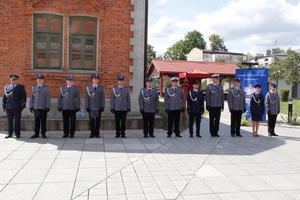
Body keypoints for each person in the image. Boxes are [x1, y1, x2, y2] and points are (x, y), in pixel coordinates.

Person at [2, 74, 26, 139]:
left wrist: (23, 105)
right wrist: (3, 105)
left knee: (17, 121)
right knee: (9, 121)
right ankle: (10, 133)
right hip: (9, 107)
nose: (13, 81)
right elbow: (4, 97)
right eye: (12, 80)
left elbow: (23, 97)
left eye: (14, 80)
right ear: (10, 80)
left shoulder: (20, 87)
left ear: (16, 80)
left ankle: (17, 134)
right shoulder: (7, 87)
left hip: (17, 107)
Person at [29, 74, 51, 139]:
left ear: (43, 80)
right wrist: (31, 106)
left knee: (43, 121)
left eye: (41, 80)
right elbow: (31, 98)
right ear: (36, 80)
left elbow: (48, 98)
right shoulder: (34, 88)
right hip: (36, 107)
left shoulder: (46, 88)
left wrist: (47, 106)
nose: (39, 81)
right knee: (36, 121)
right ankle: (36, 133)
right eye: (38, 79)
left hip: (43, 107)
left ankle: (43, 133)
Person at [85, 74, 105, 138]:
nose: (96, 80)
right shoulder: (89, 88)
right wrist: (87, 106)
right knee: (91, 121)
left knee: (97, 121)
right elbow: (87, 98)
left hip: (98, 107)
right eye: (94, 79)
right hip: (91, 107)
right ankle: (92, 133)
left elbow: (102, 98)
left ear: (98, 80)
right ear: (92, 80)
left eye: (97, 79)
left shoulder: (101, 88)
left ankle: (97, 133)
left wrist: (102, 106)